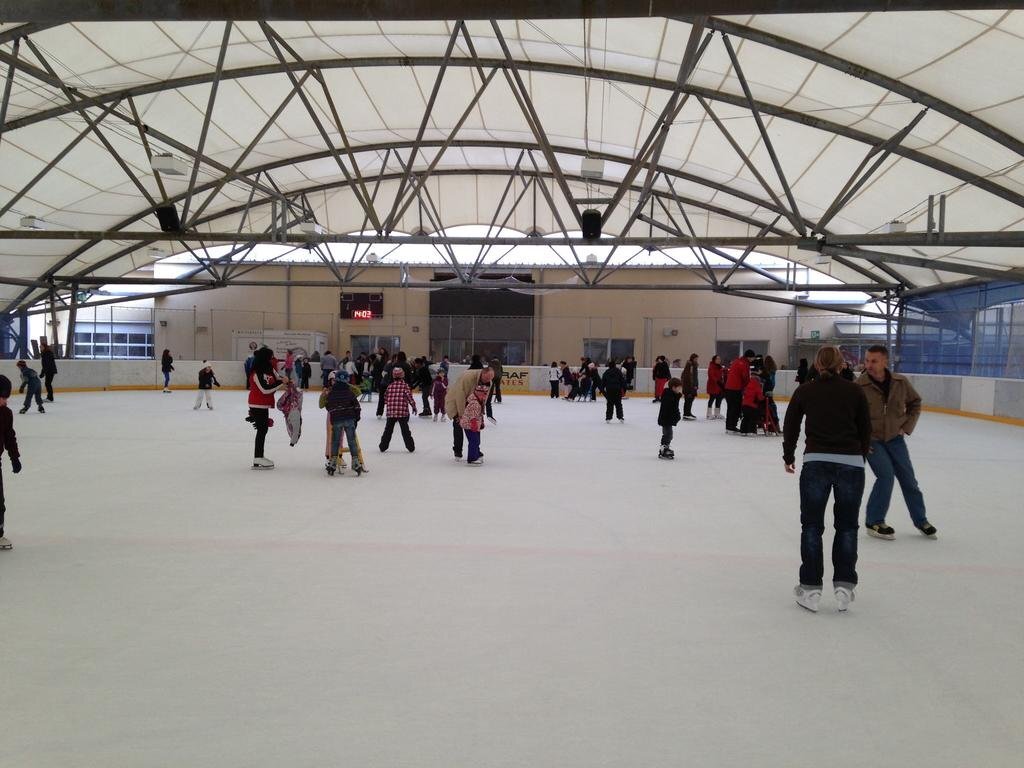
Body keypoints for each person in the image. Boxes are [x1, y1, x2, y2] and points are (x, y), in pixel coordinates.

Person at [784, 346, 871, 612]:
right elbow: (865, 428)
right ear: (841, 365)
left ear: (817, 364)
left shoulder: (806, 390)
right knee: (847, 527)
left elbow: (791, 424)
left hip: (816, 463)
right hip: (851, 464)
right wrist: (859, 457)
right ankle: (844, 586)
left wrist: (788, 455)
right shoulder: (855, 391)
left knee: (812, 526)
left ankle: (810, 588)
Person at [858, 345, 937, 540]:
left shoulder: (900, 382)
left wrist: (906, 426)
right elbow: (850, 415)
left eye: (874, 361)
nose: (869, 365)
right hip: (872, 441)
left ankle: (921, 520)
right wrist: (861, 440)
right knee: (886, 477)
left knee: (909, 480)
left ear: (885, 361)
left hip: (895, 439)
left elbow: (915, 403)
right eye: (867, 360)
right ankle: (874, 521)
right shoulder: (859, 386)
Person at [445, 366, 494, 461]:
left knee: (474, 429)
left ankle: (475, 450)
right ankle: (458, 451)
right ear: (483, 373)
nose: (489, 380)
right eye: (487, 378)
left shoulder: (489, 382)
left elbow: (484, 398)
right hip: (456, 401)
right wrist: (461, 414)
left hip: (472, 404)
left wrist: (481, 412)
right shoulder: (468, 377)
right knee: (458, 425)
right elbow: (460, 395)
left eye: (491, 378)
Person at [247, 347, 284, 469]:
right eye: (270, 357)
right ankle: (258, 457)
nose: (272, 359)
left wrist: (286, 381)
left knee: (263, 430)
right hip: (256, 404)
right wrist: (281, 383)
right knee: (262, 430)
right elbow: (265, 389)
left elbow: (278, 378)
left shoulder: (269, 369)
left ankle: (259, 457)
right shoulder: (256, 373)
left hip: (264, 404)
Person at [324, 369, 364, 476]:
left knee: (335, 441)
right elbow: (356, 406)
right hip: (349, 419)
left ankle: (333, 462)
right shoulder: (350, 392)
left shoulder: (332, 393)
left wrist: (333, 416)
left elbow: (329, 406)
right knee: (352, 441)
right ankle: (355, 462)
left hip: (337, 420)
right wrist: (356, 418)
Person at [0, 374, 22, 550]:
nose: (5, 401)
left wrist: (14, 457)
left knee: (0, 503)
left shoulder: (6, 413)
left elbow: (9, 436)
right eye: (2, 397)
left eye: (6, 397)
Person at [379, 367, 416, 452]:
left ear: (393, 376)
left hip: (391, 411)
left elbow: (385, 397)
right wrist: (413, 406)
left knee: (388, 430)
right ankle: (410, 447)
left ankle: (383, 446)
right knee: (405, 430)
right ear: (402, 376)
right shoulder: (405, 386)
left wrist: (389, 403)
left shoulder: (390, 386)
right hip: (402, 412)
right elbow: (409, 397)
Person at [724, 349, 756, 433]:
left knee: (730, 408)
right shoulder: (744, 364)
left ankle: (729, 426)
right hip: (735, 389)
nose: (753, 360)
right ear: (749, 357)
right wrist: (749, 387)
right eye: (753, 358)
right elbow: (745, 377)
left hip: (728, 388)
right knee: (736, 408)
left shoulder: (736, 361)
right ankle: (732, 426)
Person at [460, 381, 489, 466]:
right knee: (474, 441)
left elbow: (479, 414)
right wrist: (474, 424)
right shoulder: (474, 403)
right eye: (484, 393)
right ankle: (472, 458)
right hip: (469, 425)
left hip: (474, 424)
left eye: (486, 393)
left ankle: (477, 453)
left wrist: (481, 422)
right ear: (479, 393)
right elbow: (473, 416)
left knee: (476, 440)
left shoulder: (479, 401)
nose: (485, 395)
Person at [657, 378, 683, 460]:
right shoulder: (668, 396)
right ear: (673, 387)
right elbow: (670, 409)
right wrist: (675, 416)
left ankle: (665, 447)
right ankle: (663, 449)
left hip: (667, 419)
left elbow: (674, 408)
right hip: (666, 419)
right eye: (679, 388)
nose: (680, 390)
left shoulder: (672, 395)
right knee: (668, 434)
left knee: (669, 435)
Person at [740, 369, 765, 435]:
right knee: (753, 418)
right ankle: (751, 431)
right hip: (752, 406)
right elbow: (760, 397)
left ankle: (743, 431)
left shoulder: (747, 384)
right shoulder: (757, 385)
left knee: (745, 418)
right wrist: (764, 398)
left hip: (744, 405)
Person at [706, 354, 725, 420]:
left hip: (719, 386)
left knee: (719, 399)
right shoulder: (711, 367)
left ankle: (717, 413)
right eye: (717, 359)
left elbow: (722, 375)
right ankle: (709, 414)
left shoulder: (720, 367)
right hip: (713, 385)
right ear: (714, 360)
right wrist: (717, 381)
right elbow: (711, 376)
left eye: (719, 359)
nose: (719, 360)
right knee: (712, 399)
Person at [682, 353, 699, 421]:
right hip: (689, 386)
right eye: (695, 358)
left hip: (692, 386)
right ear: (692, 358)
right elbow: (688, 377)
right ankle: (686, 414)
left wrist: (696, 385)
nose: (696, 360)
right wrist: (692, 386)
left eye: (697, 359)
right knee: (688, 400)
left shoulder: (694, 365)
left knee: (690, 400)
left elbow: (695, 377)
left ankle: (688, 413)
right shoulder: (690, 365)